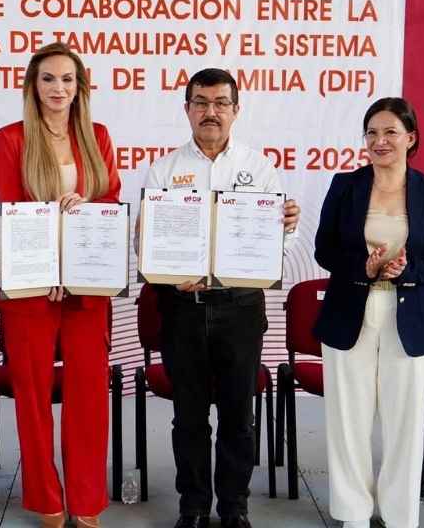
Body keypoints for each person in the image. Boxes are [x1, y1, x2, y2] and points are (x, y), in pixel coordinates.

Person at [137, 68, 300, 528]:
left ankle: (234, 508)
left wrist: (283, 227)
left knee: (237, 416)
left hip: (240, 309)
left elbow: (278, 245)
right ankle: (192, 507)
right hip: (181, 311)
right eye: (201, 102)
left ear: (235, 109)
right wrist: (167, 273)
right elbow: (147, 244)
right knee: (188, 419)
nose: (211, 112)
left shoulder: (261, 167)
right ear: (187, 108)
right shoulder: (162, 169)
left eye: (221, 103)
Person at [0, 42, 121, 528]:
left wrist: (85, 214)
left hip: (87, 287)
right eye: (48, 79)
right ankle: (46, 498)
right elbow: (12, 210)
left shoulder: (98, 136)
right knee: (33, 395)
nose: (58, 88)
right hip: (31, 290)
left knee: (89, 396)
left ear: (80, 87)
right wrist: (49, 270)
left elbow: (110, 201)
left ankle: (85, 500)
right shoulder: (10, 139)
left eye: (68, 79)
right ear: (33, 85)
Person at [313, 97, 424, 528]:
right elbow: (324, 249)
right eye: (372, 132)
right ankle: (353, 515)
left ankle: (399, 515)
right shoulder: (345, 186)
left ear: (411, 138)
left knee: (405, 422)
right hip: (350, 309)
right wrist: (365, 266)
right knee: (348, 419)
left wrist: (408, 268)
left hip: (408, 313)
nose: (380, 141)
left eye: (390, 132)